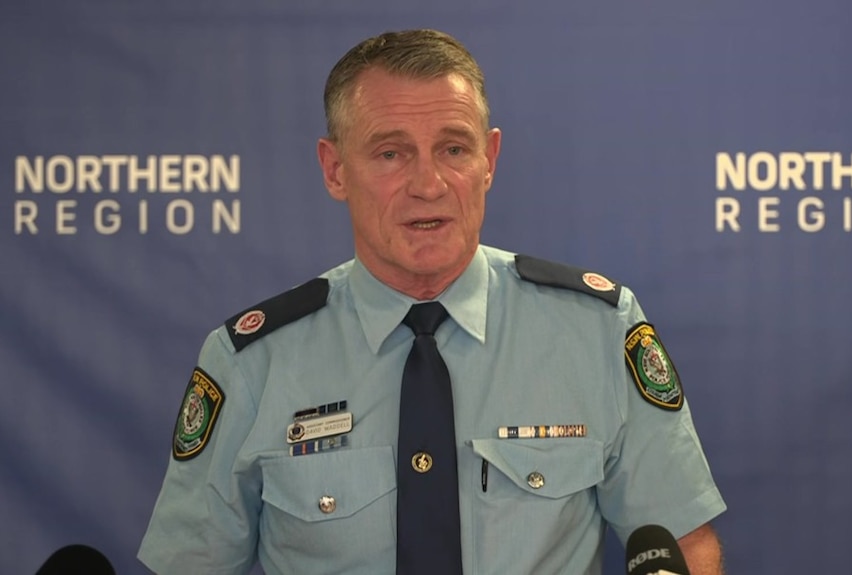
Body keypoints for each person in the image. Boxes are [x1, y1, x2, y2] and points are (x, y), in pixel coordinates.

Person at [139, 29, 727, 574]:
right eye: (391, 153)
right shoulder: (250, 361)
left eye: (453, 149)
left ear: (489, 160)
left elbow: (683, 544)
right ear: (335, 169)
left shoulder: (597, 328)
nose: (428, 183)